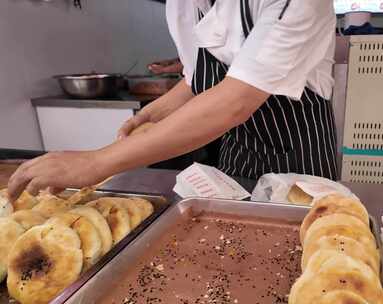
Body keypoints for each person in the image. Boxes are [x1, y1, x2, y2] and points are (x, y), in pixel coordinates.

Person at [7, 0, 338, 201]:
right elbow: (197, 77)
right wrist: (154, 113)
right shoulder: (183, 5)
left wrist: (96, 162)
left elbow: (236, 98)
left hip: (299, 155)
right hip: (239, 154)